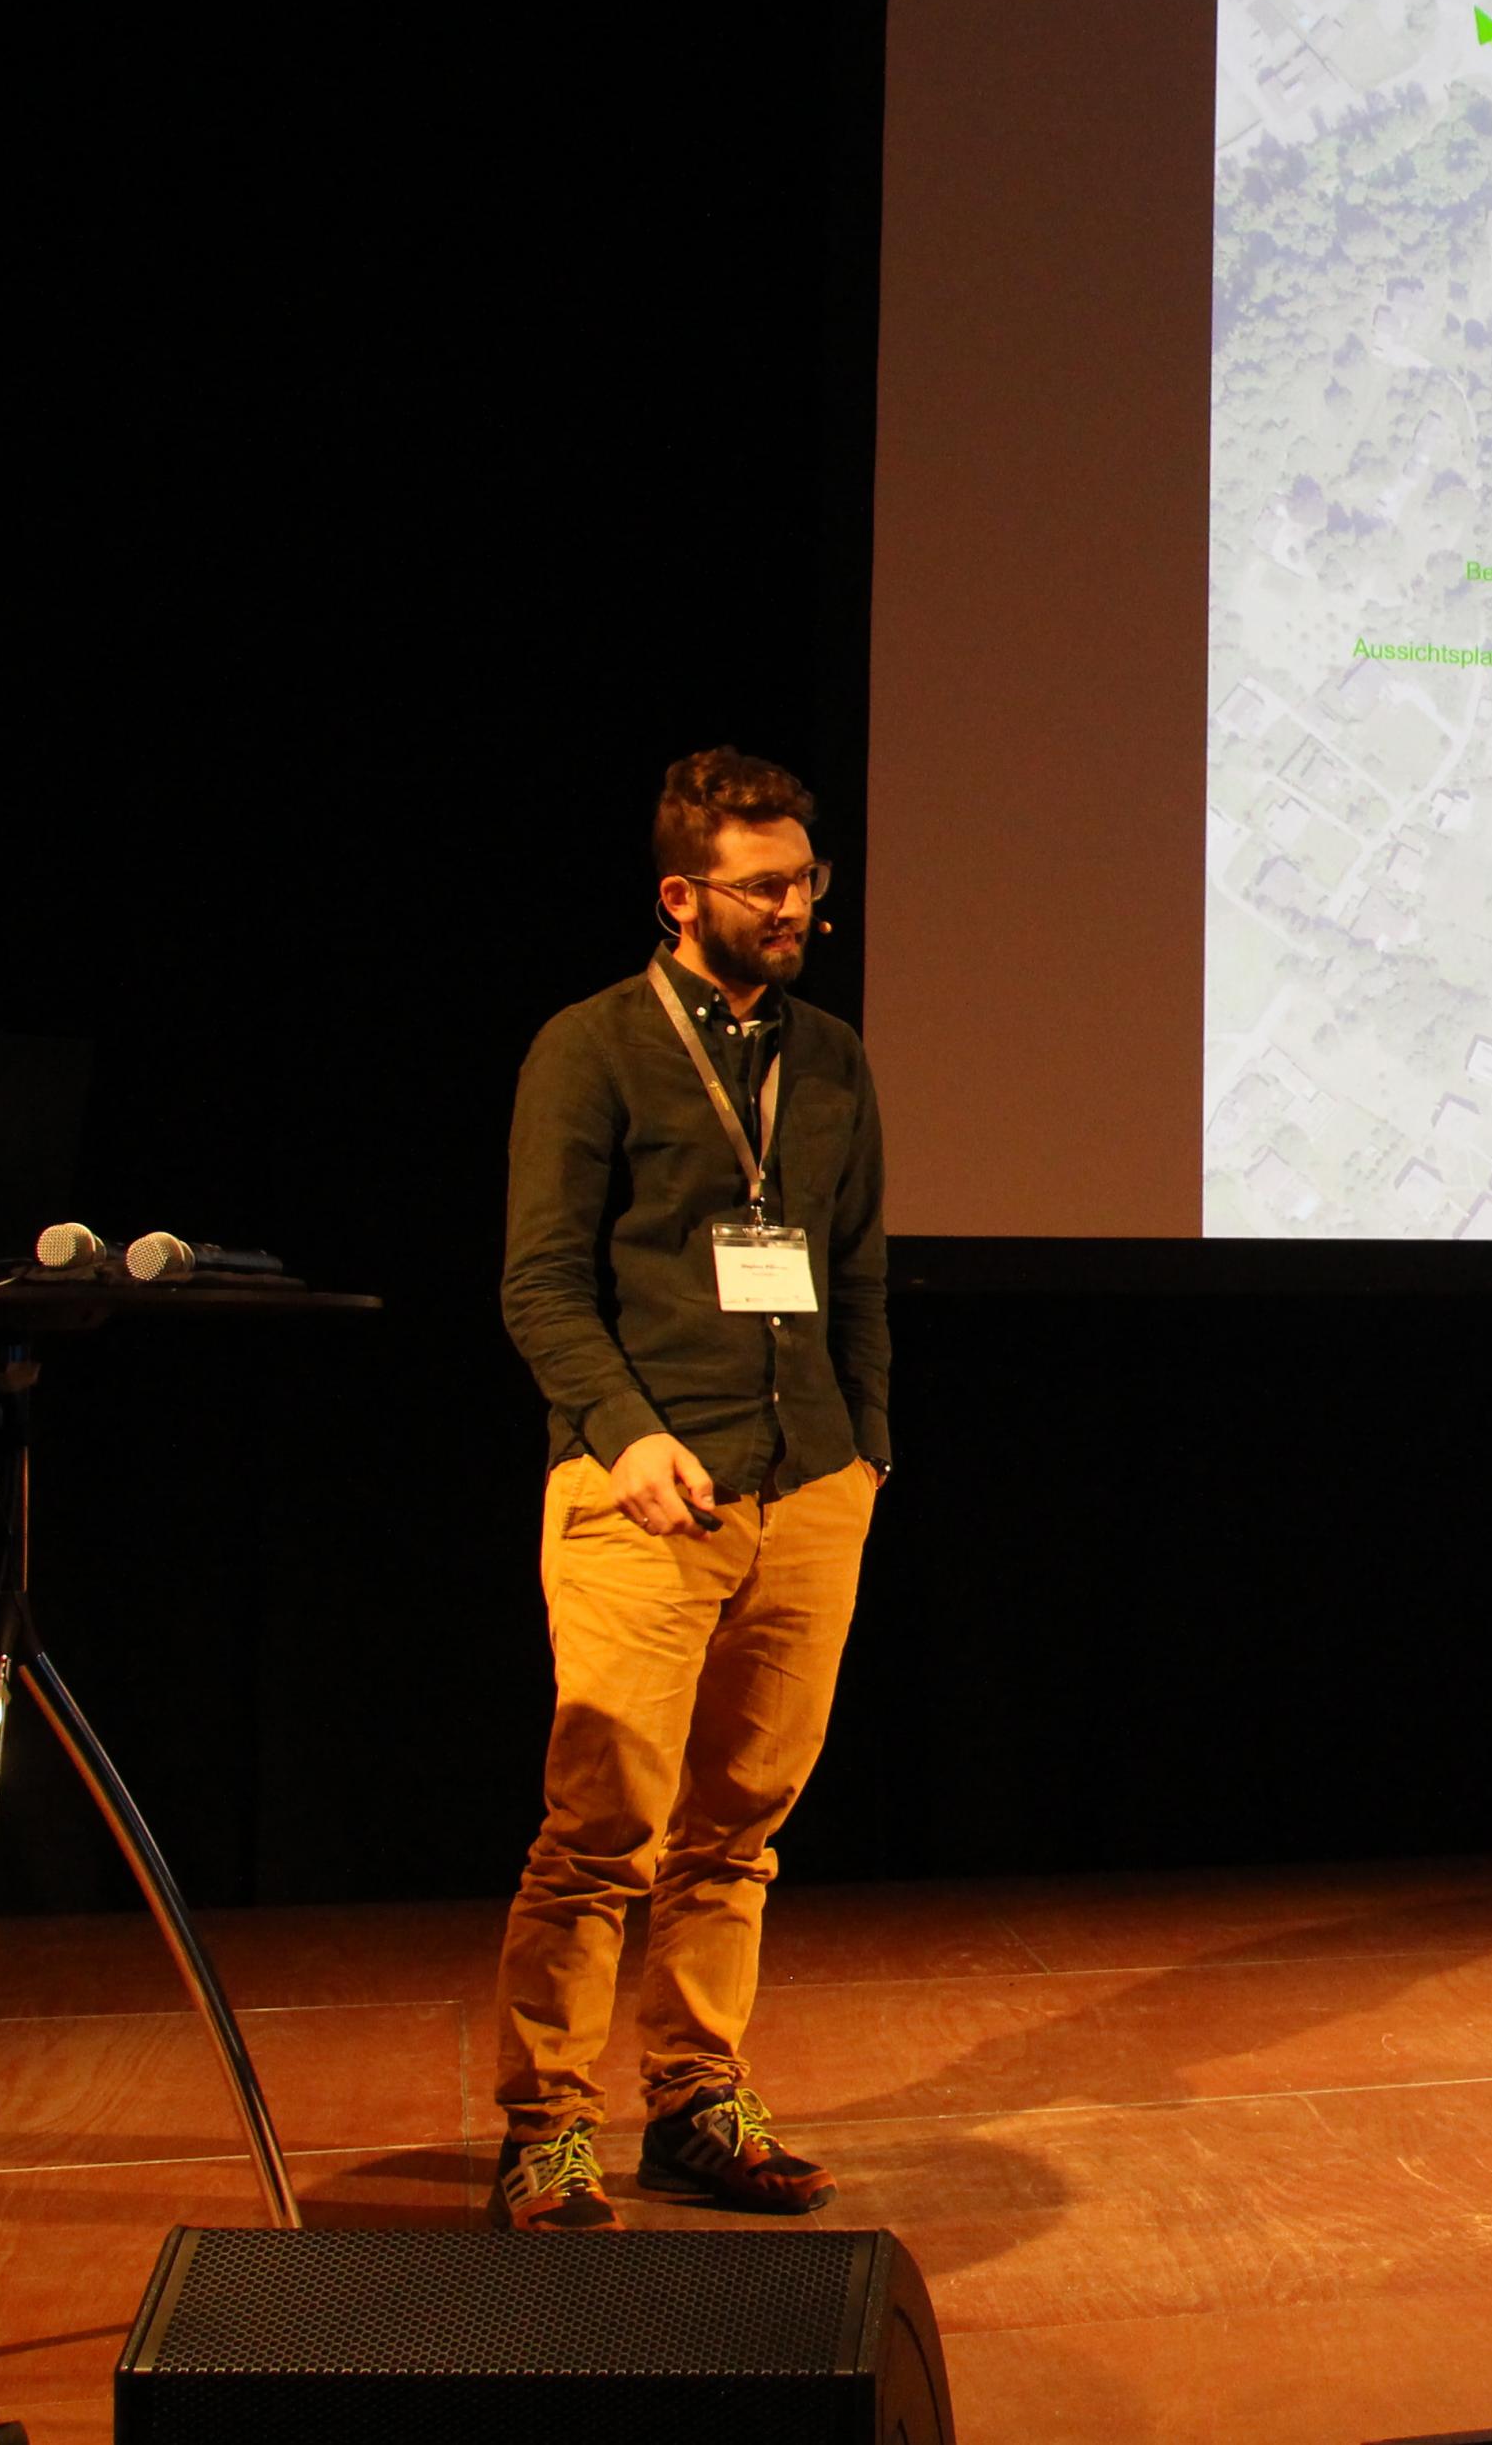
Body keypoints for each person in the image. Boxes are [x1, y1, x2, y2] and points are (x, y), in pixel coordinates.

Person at [488, 745, 890, 2230]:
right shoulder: (590, 1047)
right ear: (681, 895)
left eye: (806, 878)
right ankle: (546, 2126)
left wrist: (865, 1452)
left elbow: (858, 1274)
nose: (795, 906)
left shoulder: (832, 1057)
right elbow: (540, 1284)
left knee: (737, 1835)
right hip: (643, 1490)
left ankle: (696, 2102)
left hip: (810, 1484)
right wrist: (622, 1432)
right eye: (764, 884)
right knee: (603, 1834)